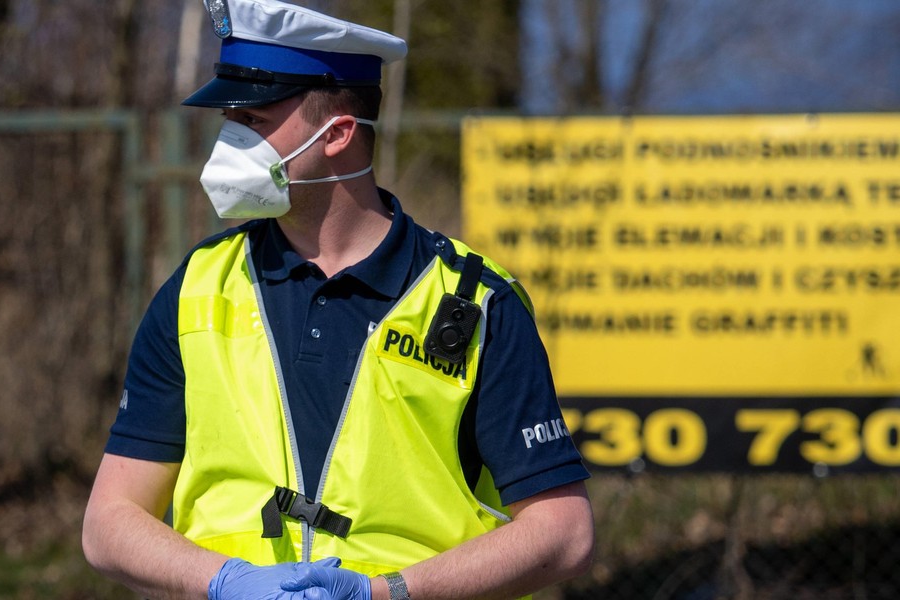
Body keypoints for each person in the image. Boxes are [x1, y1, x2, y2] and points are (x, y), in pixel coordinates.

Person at [82, 1, 594, 598]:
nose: (228, 142)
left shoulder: (478, 303)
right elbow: (108, 524)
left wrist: (387, 594)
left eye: (254, 120)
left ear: (339, 134)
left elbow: (565, 532)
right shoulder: (198, 285)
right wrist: (225, 581)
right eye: (230, 119)